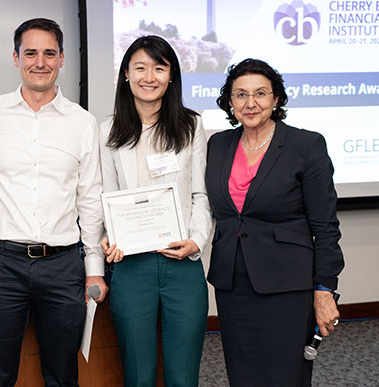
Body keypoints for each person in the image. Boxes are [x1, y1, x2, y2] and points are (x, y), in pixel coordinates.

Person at [0, 18, 107, 387]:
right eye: (31, 53)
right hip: (0, 266)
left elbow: (89, 199)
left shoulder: (82, 123)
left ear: (62, 59)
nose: (40, 62)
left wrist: (94, 267)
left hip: (62, 267)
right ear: (16, 57)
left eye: (49, 53)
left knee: (62, 373)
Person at [205, 58, 345, 386]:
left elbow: (325, 225)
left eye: (260, 93)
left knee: (285, 375)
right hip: (232, 283)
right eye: (240, 94)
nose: (250, 103)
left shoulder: (305, 145)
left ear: (276, 99)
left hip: (286, 284)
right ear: (229, 102)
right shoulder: (218, 144)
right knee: (242, 373)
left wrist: (325, 289)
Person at [100, 35, 211, 387]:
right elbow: (107, 196)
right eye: (141, 68)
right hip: (132, 267)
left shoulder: (191, 126)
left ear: (172, 76)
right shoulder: (107, 131)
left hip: (182, 264)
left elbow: (201, 194)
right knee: (138, 374)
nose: (150, 76)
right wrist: (108, 237)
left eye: (159, 68)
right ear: (127, 75)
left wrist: (196, 241)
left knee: (183, 374)